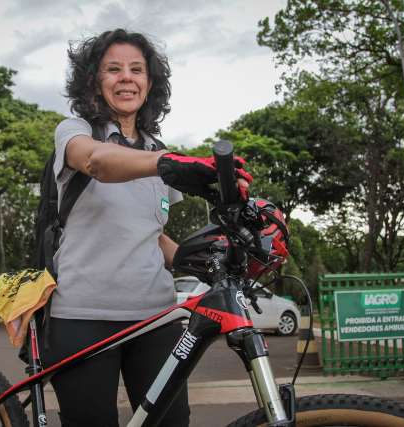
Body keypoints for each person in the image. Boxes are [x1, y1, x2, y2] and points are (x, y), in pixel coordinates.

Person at [44, 28, 250, 427]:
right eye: (113, 69)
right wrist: (171, 163)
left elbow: (152, 236)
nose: (126, 77)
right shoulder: (75, 131)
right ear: (94, 81)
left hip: (157, 317)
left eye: (137, 70)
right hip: (84, 315)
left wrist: (210, 260)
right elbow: (97, 162)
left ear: (149, 83)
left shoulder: (157, 147)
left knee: (171, 422)